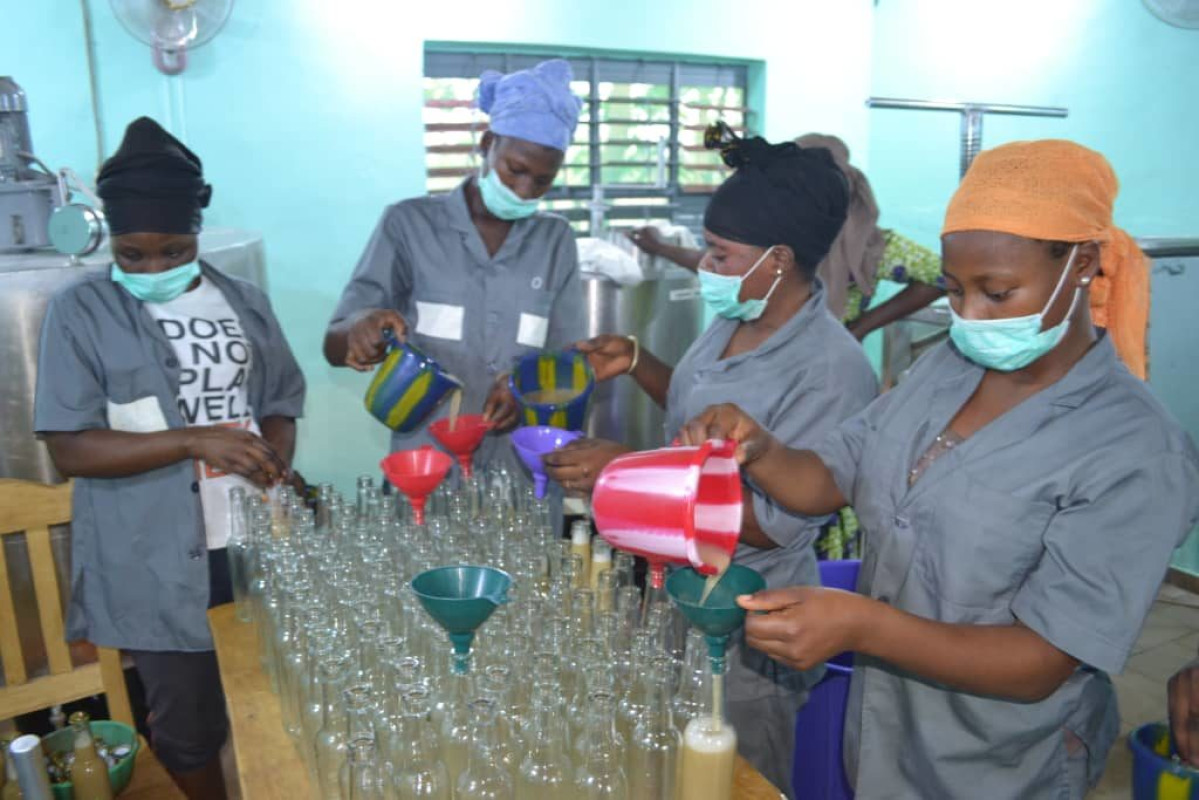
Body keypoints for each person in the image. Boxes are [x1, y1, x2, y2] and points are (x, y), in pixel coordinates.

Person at [678, 139, 1199, 798]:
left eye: (998, 291)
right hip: (882, 735)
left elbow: (1043, 659)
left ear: (1081, 264)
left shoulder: (1134, 449)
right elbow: (827, 480)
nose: (971, 316)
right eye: (954, 290)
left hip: (995, 760)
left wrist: (862, 625)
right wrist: (761, 448)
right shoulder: (944, 369)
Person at [545, 135, 878, 795]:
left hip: (744, 625)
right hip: (668, 593)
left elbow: (771, 525)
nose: (705, 263)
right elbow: (699, 420)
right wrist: (638, 361)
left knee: (734, 780)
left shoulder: (831, 371)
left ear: (779, 260)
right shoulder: (733, 320)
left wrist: (629, 468)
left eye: (721, 253)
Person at [33, 117, 306, 799]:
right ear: (110, 241)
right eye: (132, 255)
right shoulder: (81, 312)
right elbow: (70, 446)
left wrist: (271, 456)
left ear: (197, 230)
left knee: (276, 691)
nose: (153, 267)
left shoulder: (243, 303)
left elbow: (279, 399)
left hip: (249, 541)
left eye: (173, 250)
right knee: (188, 717)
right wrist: (192, 440)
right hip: (149, 554)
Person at [323, 59, 585, 472]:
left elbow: (571, 361)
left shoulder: (555, 241)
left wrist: (527, 389)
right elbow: (334, 345)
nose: (524, 189)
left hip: (518, 474)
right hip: (428, 471)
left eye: (542, 180)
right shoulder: (409, 225)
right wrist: (359, 328)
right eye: (515, 169)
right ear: (487, 145)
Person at [627, 131, 945, 342]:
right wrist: (660, 248)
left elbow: (940, 276)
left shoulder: (872, 246)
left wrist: (862, 327)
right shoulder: (770, 233)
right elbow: (726, 261)